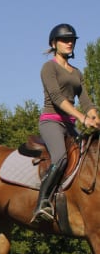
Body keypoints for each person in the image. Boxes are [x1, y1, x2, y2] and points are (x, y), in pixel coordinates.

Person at [32, 23, 100, 222]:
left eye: (71, 40)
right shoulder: (49, 67)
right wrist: (82, 118)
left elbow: (86, 101)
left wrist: (94, 116)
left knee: (89, 157)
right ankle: (42, 203)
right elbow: (56, 97)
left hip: (70, 125)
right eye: (64, 40)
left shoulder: (77, 73)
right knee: (61, 157)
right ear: (54, 43)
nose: (69, 43)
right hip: (52, 121)